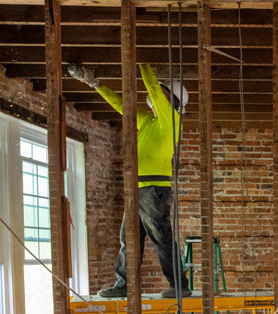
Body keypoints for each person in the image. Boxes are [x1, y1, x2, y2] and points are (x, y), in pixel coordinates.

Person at [68, 62, 191, 298]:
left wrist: (142, 64)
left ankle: (179, 285)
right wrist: (96, 85)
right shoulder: (149, 122)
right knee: (129, 239)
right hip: (138, 189)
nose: (154, 97)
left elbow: (154, 89)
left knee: (161, 238)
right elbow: (122, 106)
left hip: (153, 189)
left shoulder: (172, 120)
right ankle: (124, 285)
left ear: (170, 101)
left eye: (163, 95)